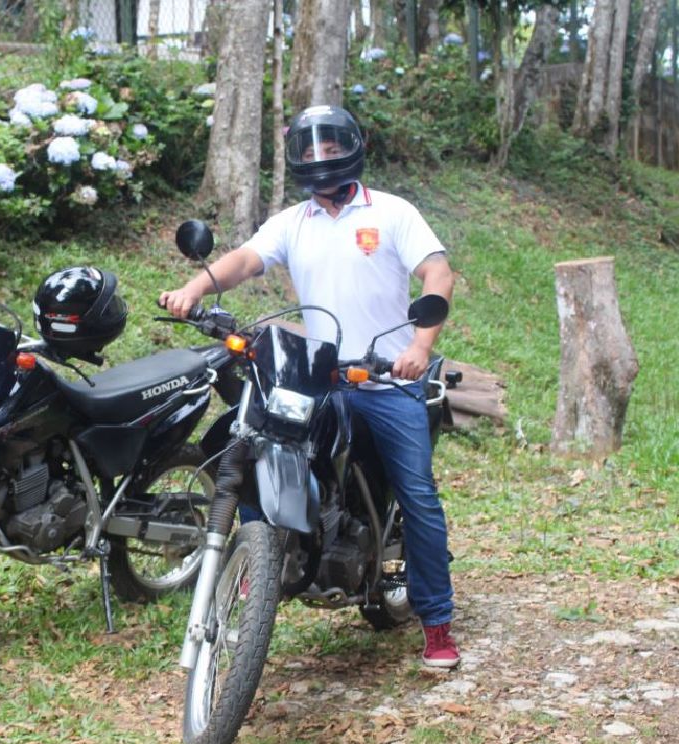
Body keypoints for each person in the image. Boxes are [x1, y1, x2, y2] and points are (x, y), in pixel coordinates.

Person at [159, 105, 460, 669]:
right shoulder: (293, 221)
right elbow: (247, 260)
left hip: (385, 377)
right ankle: (262, 569)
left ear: (353, 146)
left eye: (330, 146)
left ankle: (437, 620)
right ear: (296, 157)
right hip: (318, 376)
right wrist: (193, 288)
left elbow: (437, 272)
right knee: (253, 443)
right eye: (309, 149)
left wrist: (419, 348)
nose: (320, 158)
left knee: (417, 494)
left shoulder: (392, 212)